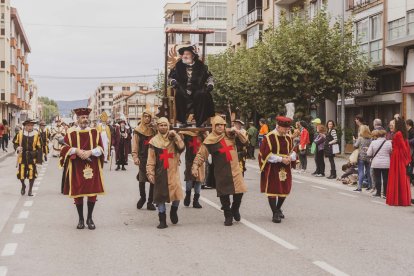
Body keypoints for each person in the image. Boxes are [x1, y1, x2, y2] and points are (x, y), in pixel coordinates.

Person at [192, 115, 248, 226]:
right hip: (221, 171)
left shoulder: (230, 134)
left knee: (240, 191)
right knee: (224, 194)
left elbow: (245, 141)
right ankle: (228, 215)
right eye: (217, 125)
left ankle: (235, 209)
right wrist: (195, 166)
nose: (220, 127)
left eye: (222, 125)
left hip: (235, 169)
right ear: (213, 126)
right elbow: (201, 154)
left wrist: (237, 131)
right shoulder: (210, 140)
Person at [59, 108, 105, 230]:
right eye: (82, 117)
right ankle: (80, 219)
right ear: (77, 119)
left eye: (86, 117)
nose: (85, 119)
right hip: (76, 167)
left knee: (92, 192)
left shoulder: (95, 132)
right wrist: (76, 150)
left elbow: (101, 148)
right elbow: (63, 149)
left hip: (92, 166)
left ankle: (90, 218)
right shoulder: (71, 133)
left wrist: (90, 152)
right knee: (78, 193)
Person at [146, 117, 185, 229]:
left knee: (176, 194)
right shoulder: (154, 141)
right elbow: (151, 159)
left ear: (168, 126)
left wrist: (176, 136)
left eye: (165, 125)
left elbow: (181, 147)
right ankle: (162, 220)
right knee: (160, 197)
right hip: (160, 172)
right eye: (161, 125)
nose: (163, 127)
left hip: (173, 171)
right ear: (157, 127)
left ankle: (174, 211)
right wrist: (150, 173)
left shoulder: (173, 137)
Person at [258, 116, 297, 223]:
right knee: (273, 190)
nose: (287, 131)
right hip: (273, 168)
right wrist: (280, 159)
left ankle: (278, 208)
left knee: (285, 189)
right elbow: (265, 154)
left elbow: (293, 151)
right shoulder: (269, 137)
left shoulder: (288, 137)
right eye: (285, 129)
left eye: (288, 129)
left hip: (285, 168)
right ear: (278, 127)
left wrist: (291, 157)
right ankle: (275, 213)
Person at [168, 45, 215, 127]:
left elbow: (210, 77)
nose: (185, 56)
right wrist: (173, 81)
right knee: (179, 94)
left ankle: (200, 122)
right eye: (183, 54)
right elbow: (170, 78)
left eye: (187, 54)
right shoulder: (178, 66)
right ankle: (183, 121)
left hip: (197, 89)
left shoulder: (201, 66)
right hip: (183, 89)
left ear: (193, 56)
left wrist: (210, 84)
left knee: (202, 94)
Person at [131, 110, 156, 211]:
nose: (147, 118)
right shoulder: (138, 130)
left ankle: (150, 201)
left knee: (152, 180)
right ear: (142, 117)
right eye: (145, 116)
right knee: (142, 179)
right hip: (142, 158)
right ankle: (143, 198)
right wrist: (135, 157)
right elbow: (135, 145)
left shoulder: (154, 130)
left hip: (153, 158)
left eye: (149, 117)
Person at [387, 117, 412, 206]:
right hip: (398, 156)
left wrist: (406, 159)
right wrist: (407, 159)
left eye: (393, 123)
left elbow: (404, 148)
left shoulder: (398, 134)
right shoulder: (402, 133)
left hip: (397, 157)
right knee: (402, 177)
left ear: (398, 124)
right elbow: (406, 147)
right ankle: (402, 199)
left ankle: (397, 199)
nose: (391, 125)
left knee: (397, 176)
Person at [13, 119, 42, 196]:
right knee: (21, 174)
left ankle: (30, 190)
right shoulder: (20, 133)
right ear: (25, 126)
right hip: (22, 157)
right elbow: (15, 143)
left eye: (31, 125)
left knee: (31, 174)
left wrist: (39, 160)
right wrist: (17, 148)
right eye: (28, 125)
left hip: (32, 157)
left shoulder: (36, 134)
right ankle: (23, 185)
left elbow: (39, 147)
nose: (30, 127)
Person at [180, 129, 206, 209]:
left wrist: (204, 132)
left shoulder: (202, 134)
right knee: (189, 180)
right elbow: (180, 143)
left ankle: (196, 201)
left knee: (198, 180)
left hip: (200, 159)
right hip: (189, 159)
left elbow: (208, 142)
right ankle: (188, 196)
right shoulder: (186, 134)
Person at [367, 130, 391, 198]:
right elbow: (391, 151)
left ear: (377, 135)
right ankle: (385, 194)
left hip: (376, 163)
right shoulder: (388, 143)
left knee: (377, 178)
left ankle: (378, 192)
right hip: (386, 163)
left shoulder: (373, 142)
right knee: (385, 178)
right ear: (385, 135)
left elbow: (369, 153)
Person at [353, 125, 372, 192]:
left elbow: (355, 146)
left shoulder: (360, 138)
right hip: (368, 157)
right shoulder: (370, 138)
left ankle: (359, 187)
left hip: (361, 157)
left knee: (361, 171)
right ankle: (370, 186)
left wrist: (354, 141)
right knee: (368, 171)